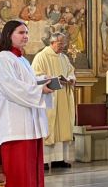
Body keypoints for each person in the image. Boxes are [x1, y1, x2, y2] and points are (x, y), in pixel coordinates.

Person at [0, 20, 53, 187]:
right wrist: (38, 89)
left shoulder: (22, 60)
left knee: (26, 168)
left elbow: (25, 83)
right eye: (21, 32)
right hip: (13, 124)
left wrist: (42, 81)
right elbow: (11, 87)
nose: (25, 36)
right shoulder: (3, 59)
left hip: (25, 121)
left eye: (27, 33)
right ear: (9, 35)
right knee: (16, 169)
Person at [31, 33, 76, 169]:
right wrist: (52, 78)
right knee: (49, 127)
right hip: (49, 96)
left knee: (62, 127)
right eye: (60, 43)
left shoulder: (64, 58)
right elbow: (36, 75)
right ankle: (44, 161)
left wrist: (70, 78)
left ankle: (59, 159)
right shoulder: (41, 56)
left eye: (63, 43)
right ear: (52, 42)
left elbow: (71, 71)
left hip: (62, 96)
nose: (62, 46)